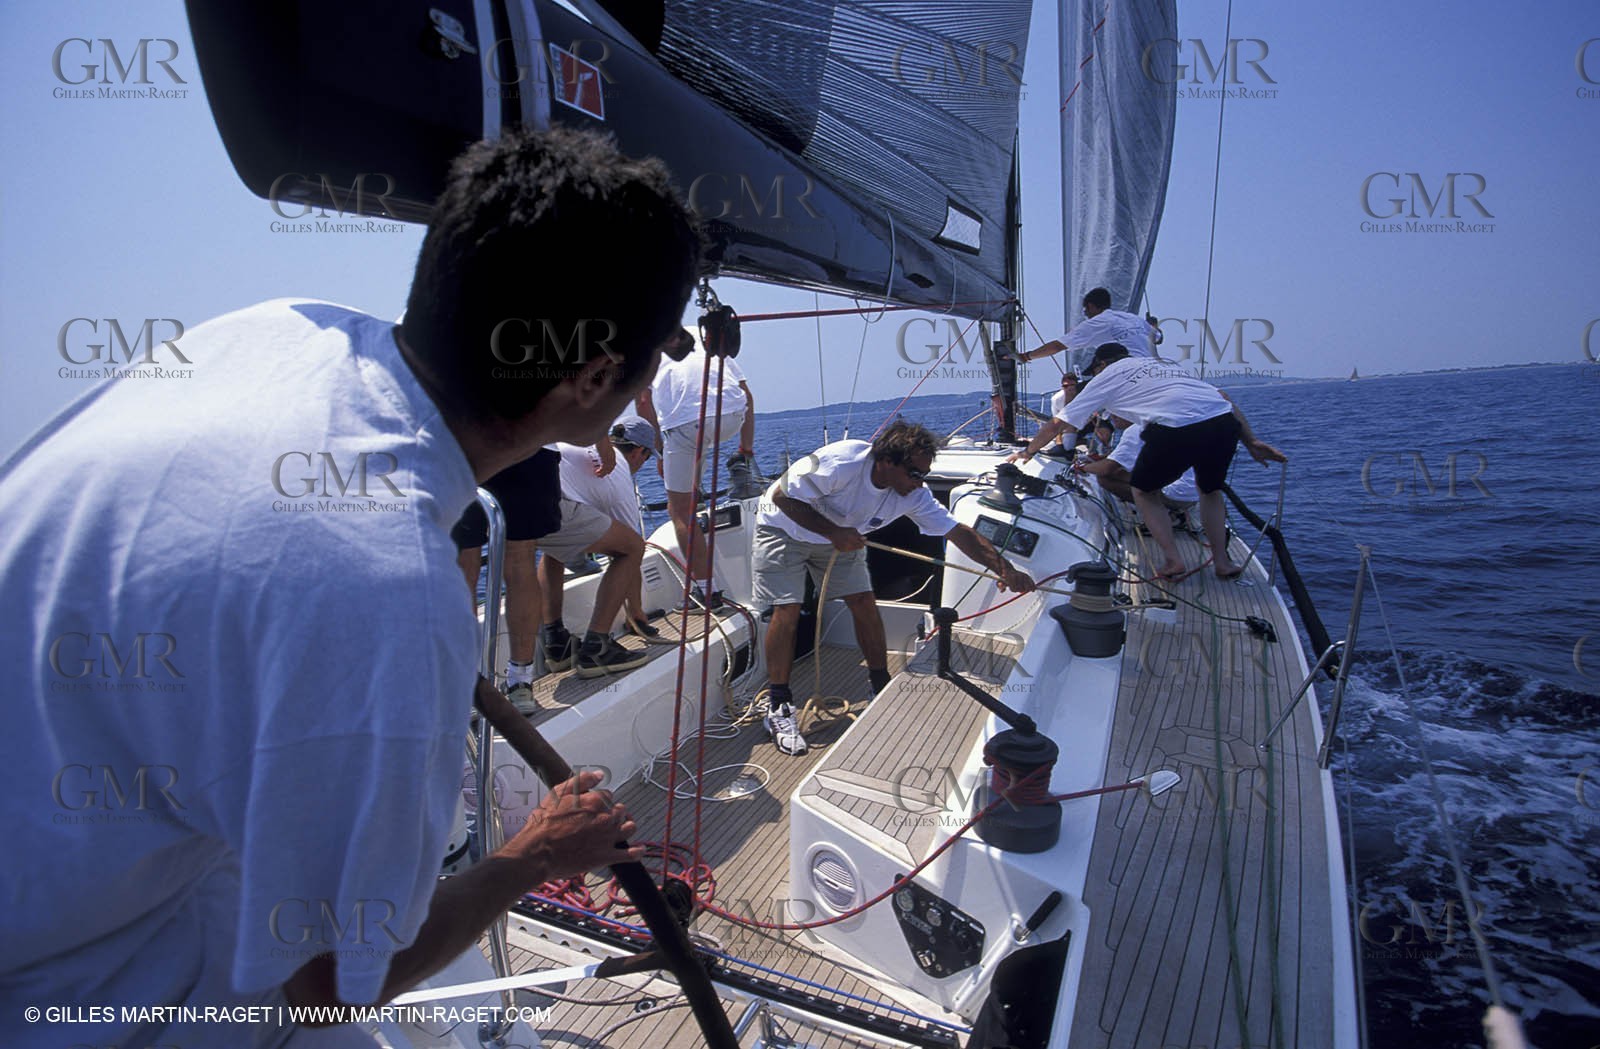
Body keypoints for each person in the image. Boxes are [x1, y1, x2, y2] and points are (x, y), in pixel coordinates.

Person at [0, 126, 701, 1048]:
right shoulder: (391, 598)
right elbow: (328, 985)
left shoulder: (277, 328)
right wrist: (534, 856)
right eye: (652, 362)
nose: (650, 386)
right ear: (594, 378)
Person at [753, 421, 1036, 755]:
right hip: (783, 528)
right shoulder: (842, 461)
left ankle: (878, 685)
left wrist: (1005, 569)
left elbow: (957, 532)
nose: (921, 483)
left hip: (839, 537)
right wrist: (834, 533)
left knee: (863, 602)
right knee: (787, 609)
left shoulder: (914, 494)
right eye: (915, 473)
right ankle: (779, 706)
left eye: (925, 475)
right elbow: (783, 496)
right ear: (887, 462)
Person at [1009, 343, 1286, 581]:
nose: (1095, 374)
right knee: (1210, 491)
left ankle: (1173, 560)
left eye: (1095, 369)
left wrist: (1028, 452)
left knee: (1144, 490)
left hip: (1175, 427)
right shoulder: (1163, 364)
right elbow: (1222, 398)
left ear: (1102, 365)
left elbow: (1059, 422)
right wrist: (1251, 442)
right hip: (1224, 423)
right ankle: (1223, 563)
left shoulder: (1107, 376)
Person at [636, 329, 755, 607]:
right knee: (699, 445)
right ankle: (709, 480)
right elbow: (747, 395)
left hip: (687, 426)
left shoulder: (643, 346)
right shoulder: (700, 333)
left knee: (680, 512)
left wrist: (660, 452)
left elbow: (643, 403)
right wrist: (745, 450)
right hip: (733, 415)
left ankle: (706, 590)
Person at [453, 448, 564, 713]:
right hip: (527, 440)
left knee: (461, 565)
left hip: (463, 442)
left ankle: (463, 685)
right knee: (519, 559)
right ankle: (520, 682)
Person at [1077, 417, 1199, 526]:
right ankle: (1174, 511)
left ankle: (1161, 513)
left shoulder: (1134, 431)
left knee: (1105, 478)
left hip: (1176, 494)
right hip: (1195, 493)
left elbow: (1106, 469)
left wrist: (1081, 467)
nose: (1113, 419)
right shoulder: (1155, 423)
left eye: (1115, 415)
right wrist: (1102, 459)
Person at [1015, 286, 1158, 373]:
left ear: (1090, 306)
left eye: (1085, 310)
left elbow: (1057, 346)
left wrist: (1026, 356)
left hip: (1129, 371)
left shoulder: (1097, 322)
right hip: (1154, 370)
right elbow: (1159, 337)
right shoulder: (1132, 318)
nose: (1086, 314)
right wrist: (1152, 326)